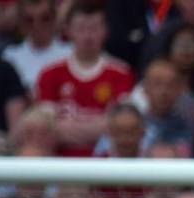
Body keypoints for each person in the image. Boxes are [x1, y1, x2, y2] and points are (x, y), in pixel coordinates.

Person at [35, 1, 134, 157]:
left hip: (106, 163)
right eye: (81, 28)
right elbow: (45, 127)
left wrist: (67, 129)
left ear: (106, 30)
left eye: (94, 28)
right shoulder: (51, 73)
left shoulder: (121, 73)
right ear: (67, 31)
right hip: (58, 163)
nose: (87, 36)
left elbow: (120, 125)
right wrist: (98, 127)